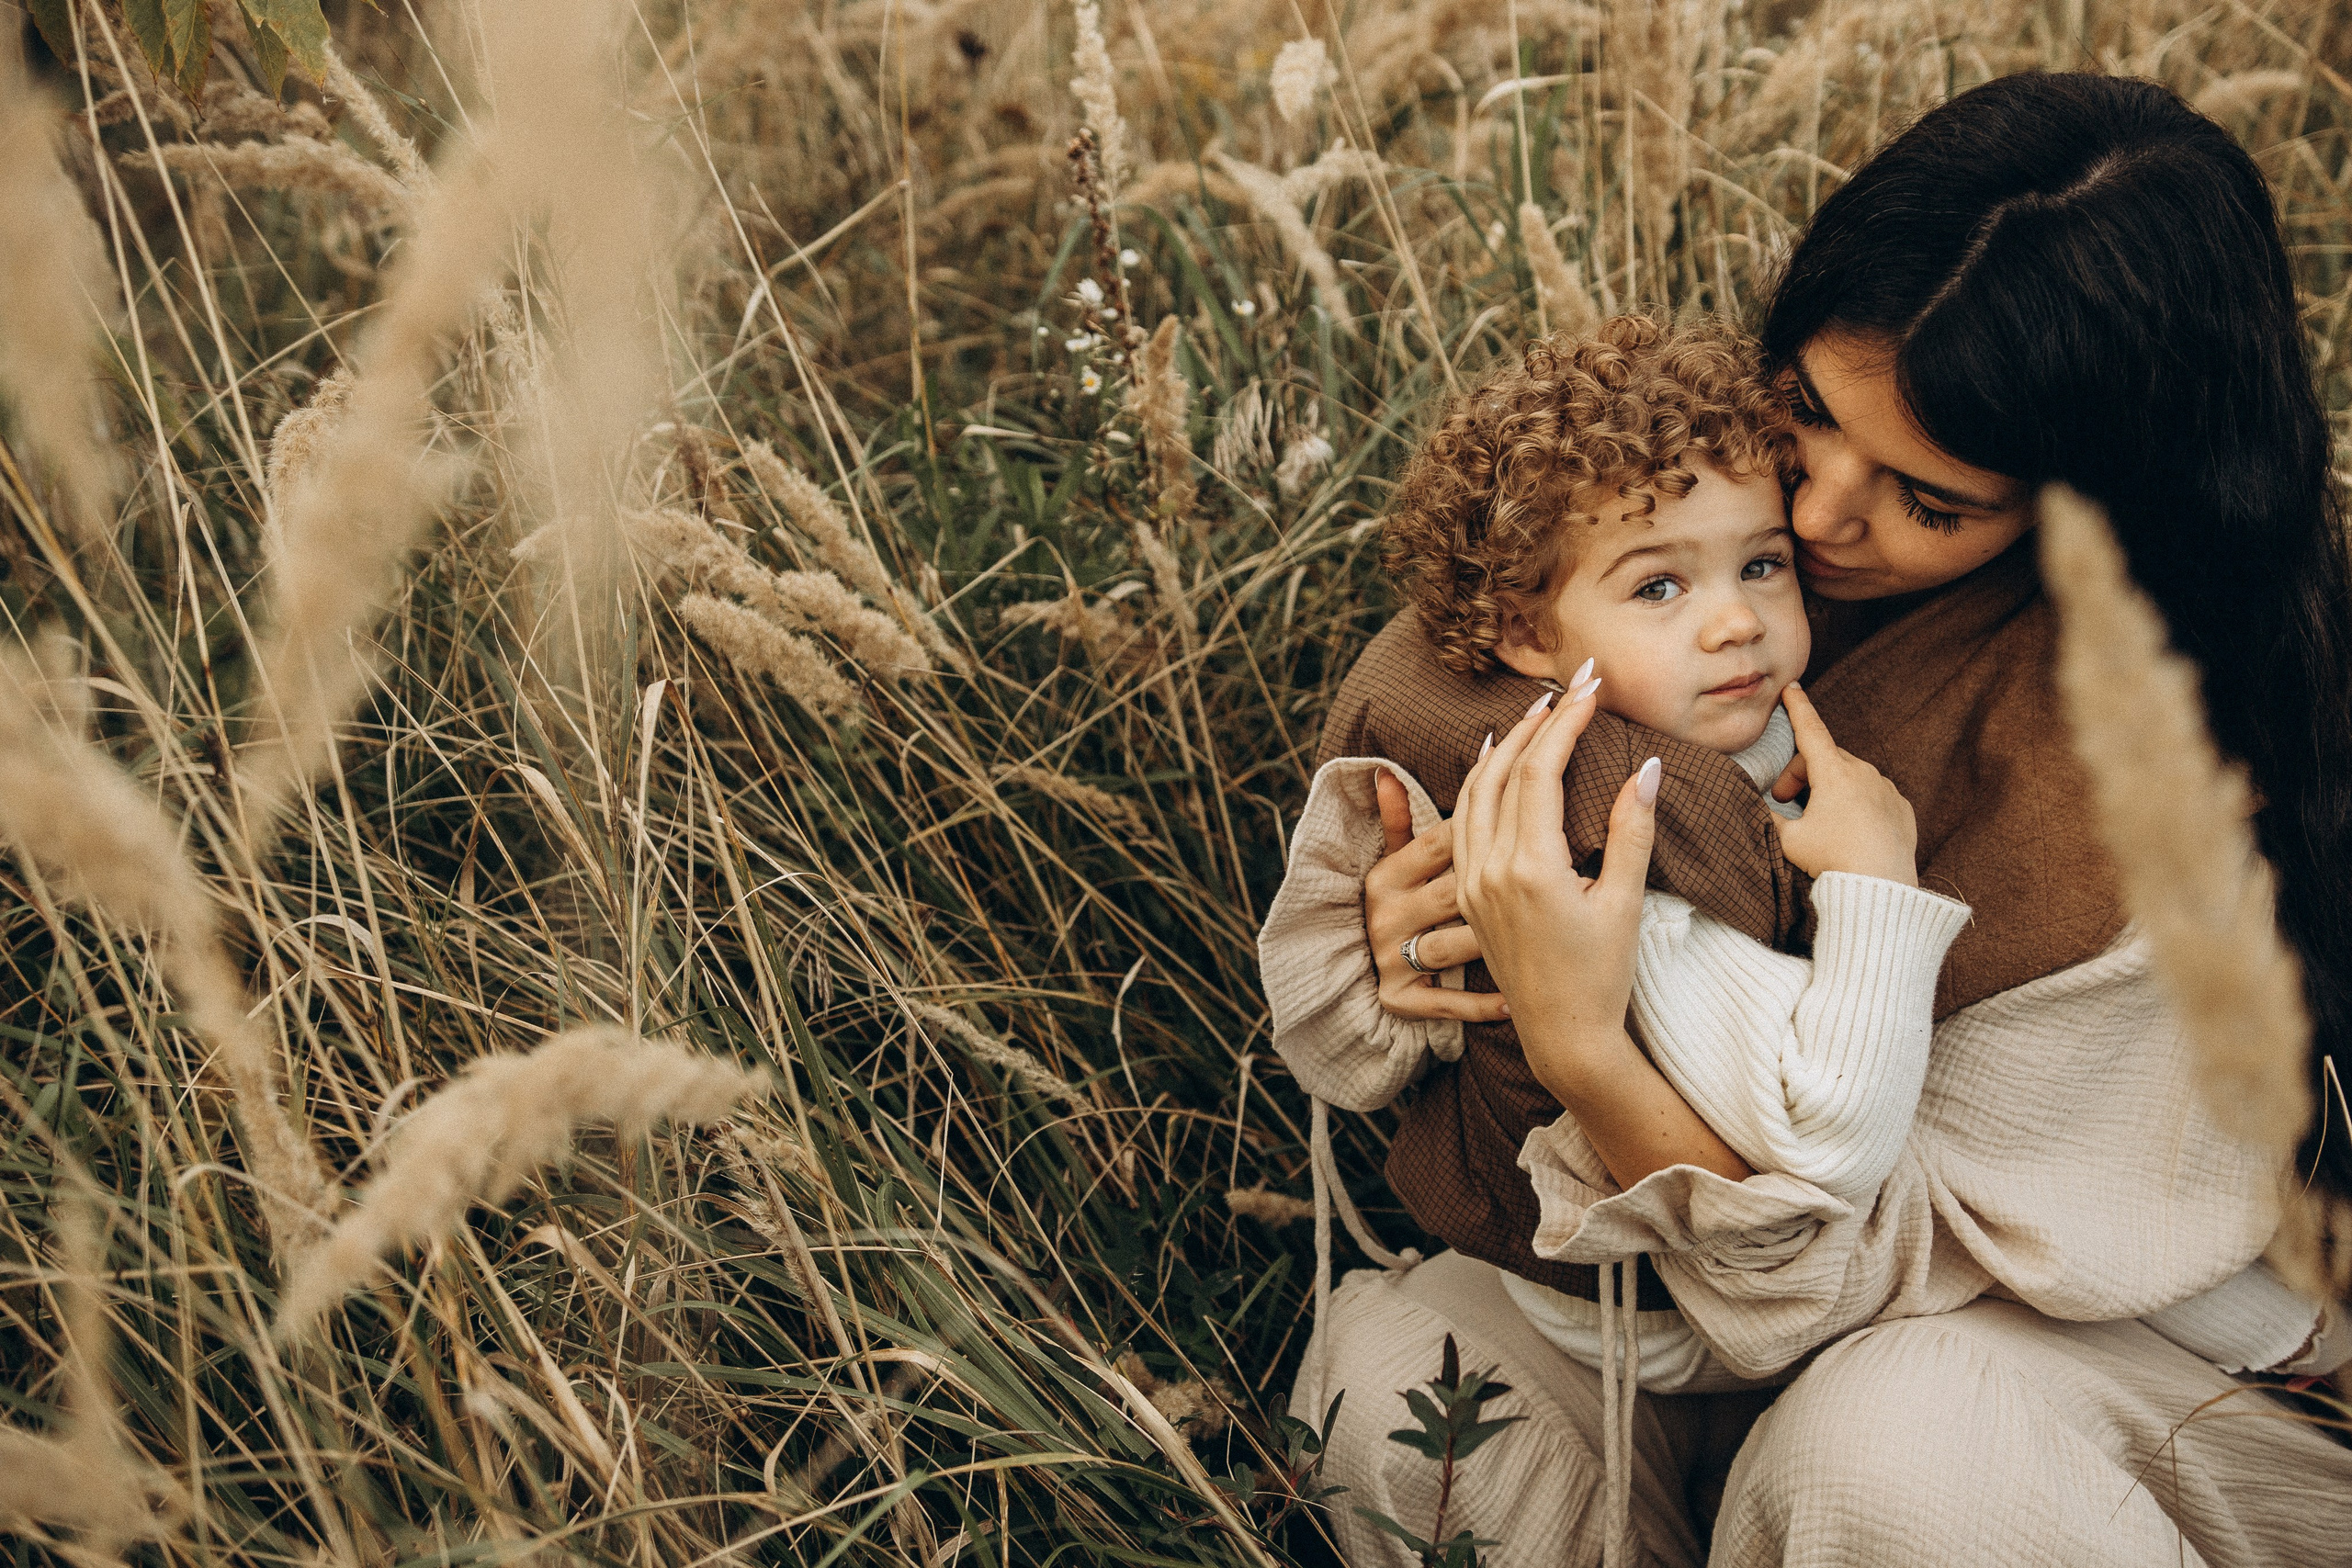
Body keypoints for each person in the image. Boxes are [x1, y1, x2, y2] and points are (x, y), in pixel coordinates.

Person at [1274, 73, 2352, 1566]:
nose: (1824, 515)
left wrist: (1583, 1040)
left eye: (1931, 498)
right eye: (1806, 413)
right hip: (1670, 1299)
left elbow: (1851, 1260)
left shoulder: (2151, 781)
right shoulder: (1695, 522)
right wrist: (1415, 947)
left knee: (1895, 1450)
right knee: (1396, 1393)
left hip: (2023, 1341)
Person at [1260, 313, 1971, 1405]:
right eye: (1658, 588)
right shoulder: (1616, 845)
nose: (1735, 621)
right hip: (1655, 1312)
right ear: (1531, 639)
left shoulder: (1721, 723)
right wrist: (1878, 890)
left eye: (1762, 564)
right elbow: (1830, 1146)